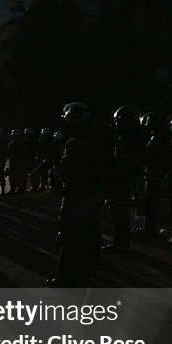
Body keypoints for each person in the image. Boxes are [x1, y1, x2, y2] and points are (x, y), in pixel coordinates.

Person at [49, 102, 107, 286]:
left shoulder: (75, 143)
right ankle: (84, 276)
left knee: (68, 236)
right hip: (95, 194)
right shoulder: (98, 140)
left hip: (78, 195)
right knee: (89, 237)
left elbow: (66, 170)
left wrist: (55, 161)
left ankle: (66, 278)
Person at [103, 105, 143, 253]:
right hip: (128, 178)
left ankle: (120, 244)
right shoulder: (135, 137)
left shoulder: (126, 139)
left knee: (119, 212)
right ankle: (121, 242)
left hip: (123, 179)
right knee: (121, 212)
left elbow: (120, 162)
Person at [136, 112, 168, 236]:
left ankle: (150, 229)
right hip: (156, 173)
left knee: (151, 203)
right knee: (152, 202)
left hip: (154, 173)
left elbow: (147, 152)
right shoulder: (161, 136)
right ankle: (150, 227)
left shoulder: (156, 137)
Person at [7, 129, 29, 194]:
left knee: (14, 175)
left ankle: (14, 189)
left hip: (16, 161)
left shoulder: (14, 143)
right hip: (21, 161)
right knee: (21, 175)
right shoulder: (24, 142)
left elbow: (10, 151)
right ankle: (21, 189)